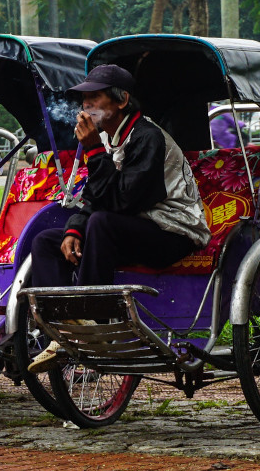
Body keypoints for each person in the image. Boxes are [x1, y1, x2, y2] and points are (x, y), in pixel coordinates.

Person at [27, 64, 211, 373]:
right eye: (84, 99)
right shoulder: (109, 138)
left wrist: (94, 151)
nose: (86, 106)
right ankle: (62, 327)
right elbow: (98, 196)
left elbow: (123, 201)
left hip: (173, 232)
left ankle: (92, 320)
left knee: (101, 224)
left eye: (95, 98)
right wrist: (74, 229)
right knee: (47, 242)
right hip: (130, 228)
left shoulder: (148, 137)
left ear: (122, 100)